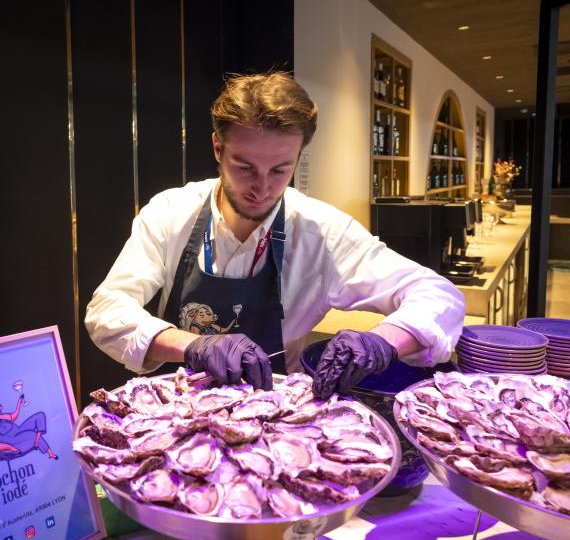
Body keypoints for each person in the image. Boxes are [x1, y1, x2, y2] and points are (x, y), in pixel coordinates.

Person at [86, 71, 464, 398]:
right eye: (245, 167)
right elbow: (106, 311)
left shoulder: (320, 229)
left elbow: (438, 296)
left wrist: (382, 339)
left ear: (298, 157)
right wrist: (193, 345)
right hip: (177, 409)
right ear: (218, 148)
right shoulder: (171, 212)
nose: (262, 188)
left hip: (277, 418)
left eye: (280, 170)